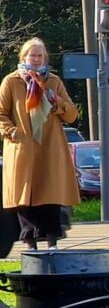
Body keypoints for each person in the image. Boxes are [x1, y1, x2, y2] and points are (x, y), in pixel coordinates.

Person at [0, 37, 80, 250]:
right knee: (24, 198)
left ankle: (52, 244)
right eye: (32, 55)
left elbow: (72, 115)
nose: (35, 60)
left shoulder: (53, 81)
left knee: (50, 195)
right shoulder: (11, 81)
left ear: (45, 58)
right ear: (23, 57)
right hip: (22, 148)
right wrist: (13, 132)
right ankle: (30, 246)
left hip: (49, 148)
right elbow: (1, 114)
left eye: (40, 55)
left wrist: (57, 103)